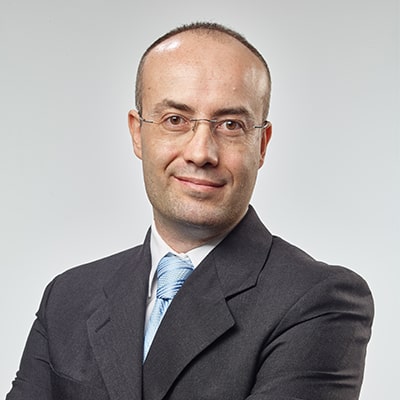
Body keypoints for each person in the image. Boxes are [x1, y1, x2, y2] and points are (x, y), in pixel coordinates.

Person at [7, 22, 374, 400]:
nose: (201, 153)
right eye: (175, 120)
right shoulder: (68, 297)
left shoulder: (319, 300)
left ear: (261, 144)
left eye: (230, 125)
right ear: (137, 133)